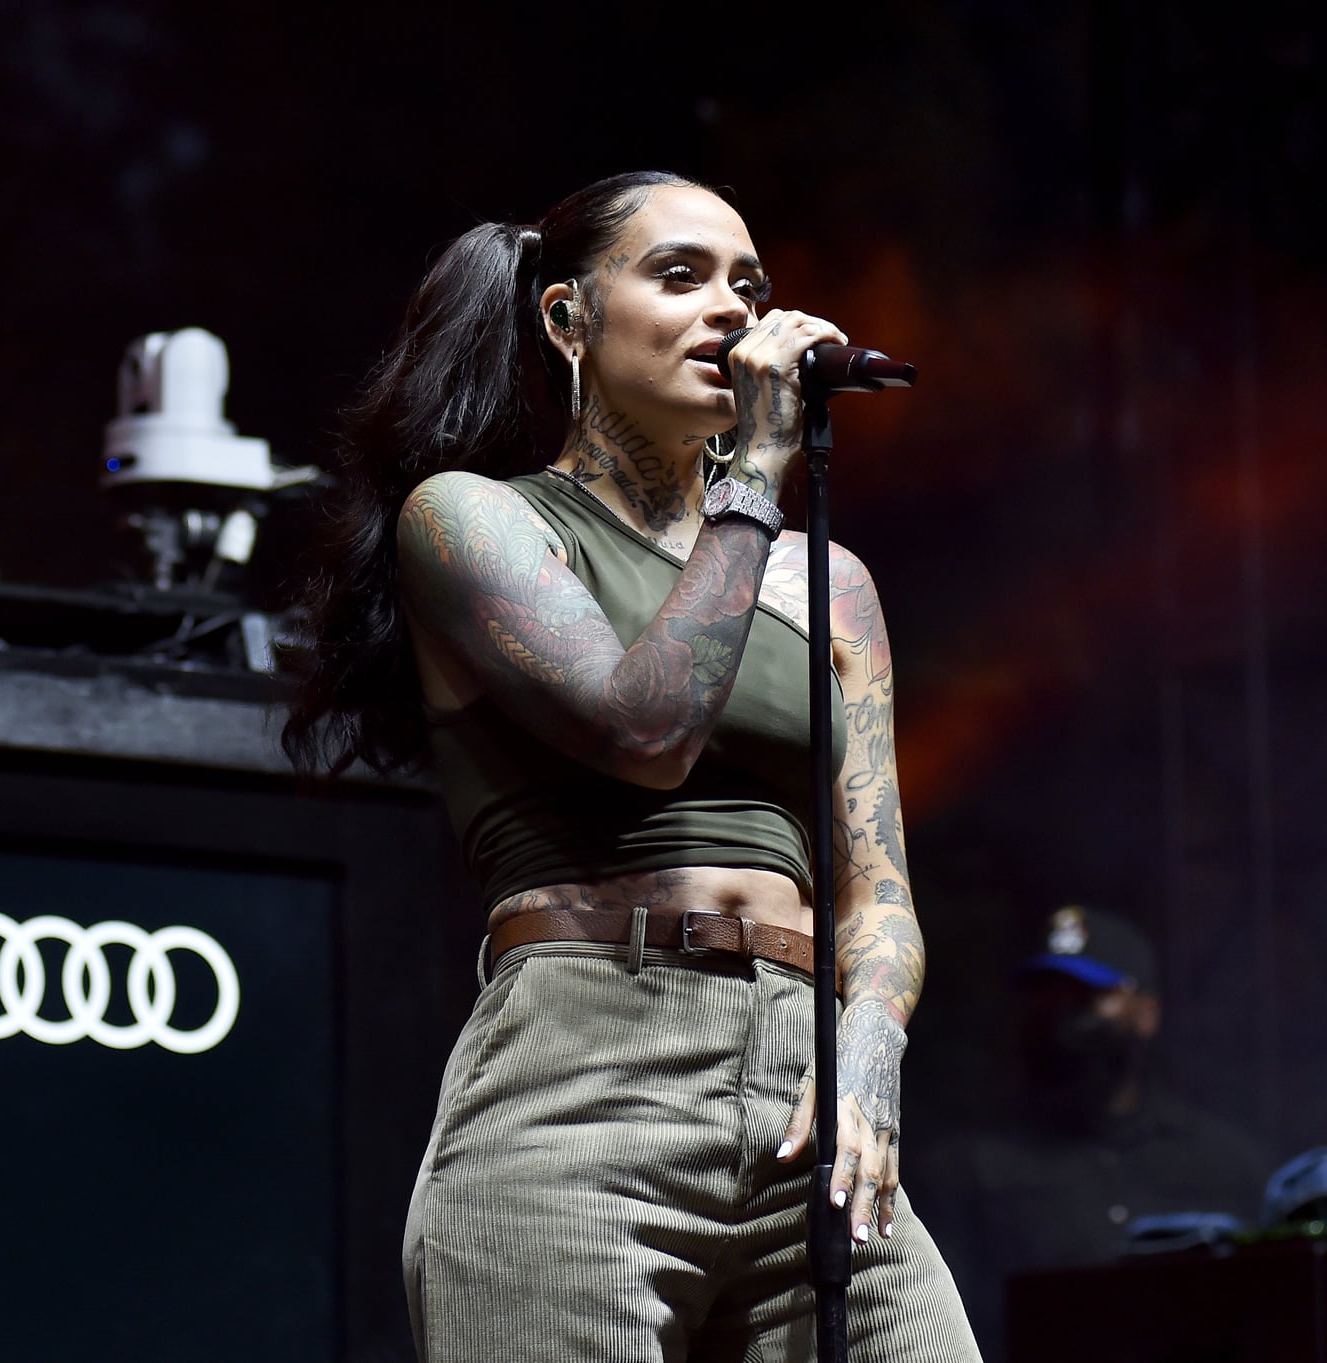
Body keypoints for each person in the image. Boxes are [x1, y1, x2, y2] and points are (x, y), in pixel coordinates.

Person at [283, 171, 981, 1362]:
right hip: (585, 1075)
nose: (731, 312)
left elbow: (880, 891)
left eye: (749, 286)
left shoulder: (829, 585)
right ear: (565, 321)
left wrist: (869, 1053)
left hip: (803, 1088)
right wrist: (753, 472)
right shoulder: (475, 520)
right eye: (679, 276)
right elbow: (643, 730)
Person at [907, 905, 1270, 1361]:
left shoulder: (1227, 1165)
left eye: (1088, 996)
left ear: (1147, 1012)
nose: (1064, 1016)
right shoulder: (965, 1173)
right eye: (1047, 997)